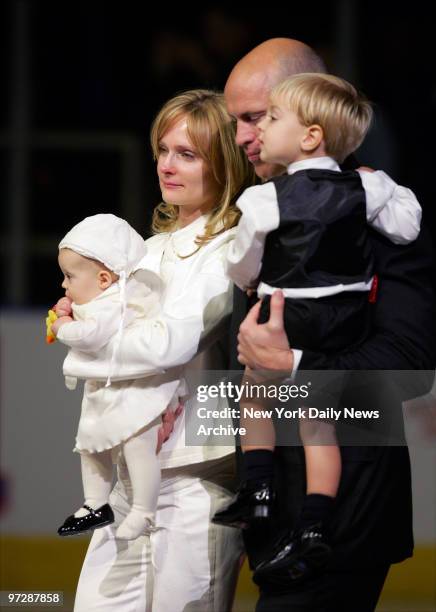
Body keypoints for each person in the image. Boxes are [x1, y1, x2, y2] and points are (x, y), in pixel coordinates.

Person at [224, 38, 436, 611]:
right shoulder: (257, 212)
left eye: (257, 116)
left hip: (346, 524)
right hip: (268, 521)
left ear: (310, 118)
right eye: (237, 120)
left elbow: (409, 369)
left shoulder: (378, 215)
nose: (245, 135)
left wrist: (295, 366)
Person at [57, 89, 256, 611]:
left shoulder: (232, 247)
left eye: (187, 154)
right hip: (130, 477)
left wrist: (81, 344)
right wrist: (77, 318)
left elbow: (172, 342)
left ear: (225, 163)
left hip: (196, 476)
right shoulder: (147, 248)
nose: (168, 165)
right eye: (163, 150)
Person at [50, 213, 187, 541]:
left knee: (138, 447)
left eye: (69, 277)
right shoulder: (101, 298)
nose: (64, 285)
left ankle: (144, 509)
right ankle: (95, 503)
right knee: (90, 446)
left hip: (137, 394)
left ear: (103, 279)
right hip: (108, 393)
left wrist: (63, 325)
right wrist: (71, 310)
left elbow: (90, 335)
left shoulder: (116, 303)